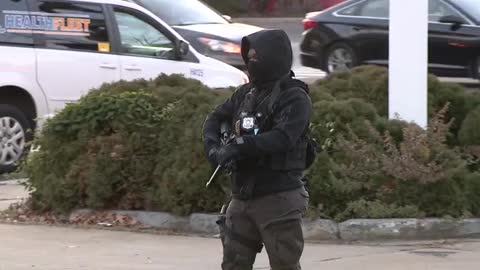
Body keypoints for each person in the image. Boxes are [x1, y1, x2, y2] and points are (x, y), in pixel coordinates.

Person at [202, 29, 313, 270]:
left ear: (273, 57)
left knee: (285, 265)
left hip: (278, 198)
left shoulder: (295, 97)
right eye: (248, 57)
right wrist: (215, 149)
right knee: (233, 263)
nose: (251, 62)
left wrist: (240, 147)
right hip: (242, 196)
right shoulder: (245, 93)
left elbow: (283, 138)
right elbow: (214, 118)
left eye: (256, 57)